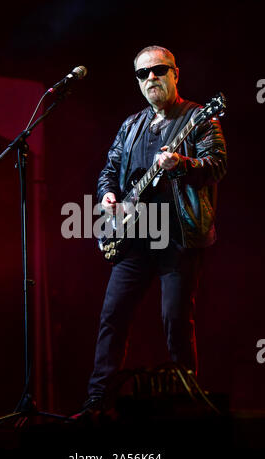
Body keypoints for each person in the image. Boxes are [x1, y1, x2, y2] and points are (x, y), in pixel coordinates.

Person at [83, 45, 227, 411]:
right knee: (112, 317)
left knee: (175, 319)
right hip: (133, 240)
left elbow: (216, 165)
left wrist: (180, 163)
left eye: (159, 70)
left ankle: (187, 402)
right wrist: (108, 195)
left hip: (177, 236)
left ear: (175, 74)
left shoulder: (199, 117)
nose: (151, 78)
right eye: (142, 73)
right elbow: (108, 171)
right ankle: (98, 402)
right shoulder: (131, 126)